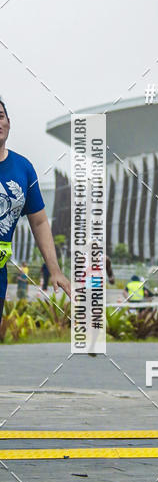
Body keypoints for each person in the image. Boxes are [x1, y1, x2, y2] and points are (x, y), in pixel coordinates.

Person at [0, 98, 70, 321]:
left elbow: (39, 221)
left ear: (8, 123)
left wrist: (55, 270)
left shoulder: (23, 168)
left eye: (0, 116)